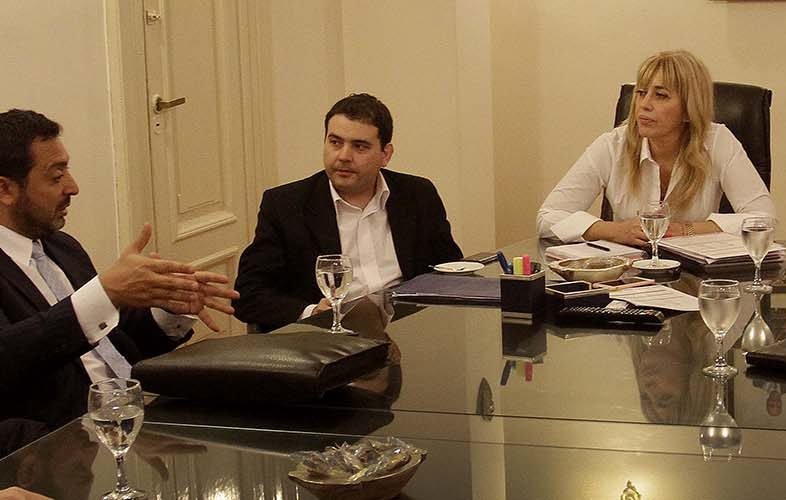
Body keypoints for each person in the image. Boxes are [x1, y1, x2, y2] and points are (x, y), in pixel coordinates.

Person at [0, 109, 239, 430]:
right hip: (68, 439)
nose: (73, 187)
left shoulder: (61, 246)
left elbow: (115, 342)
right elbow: (11, 357)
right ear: (5, 190)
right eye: (56, 177)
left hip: (141, 409)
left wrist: (168, 310)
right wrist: (105, 294)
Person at [234, 93, 462, 332]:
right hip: (326, 341)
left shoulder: (417, 194)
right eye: (335, 142)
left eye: (359, 146)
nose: (343, 156)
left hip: (410, 331)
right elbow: (248, 293)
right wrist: (312, 312)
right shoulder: (285, 205)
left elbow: (449, 270)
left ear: (385, 154)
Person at [537, 49, 776, 245]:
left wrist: (685, 230)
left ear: (689, 108)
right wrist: (613, 230)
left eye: (660, 95)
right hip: (628, 277)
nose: (644, 104)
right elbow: (548, 217)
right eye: (641, 93)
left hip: (695, 278)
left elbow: (764, 221)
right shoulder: (612, 145)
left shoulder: (717, 142)